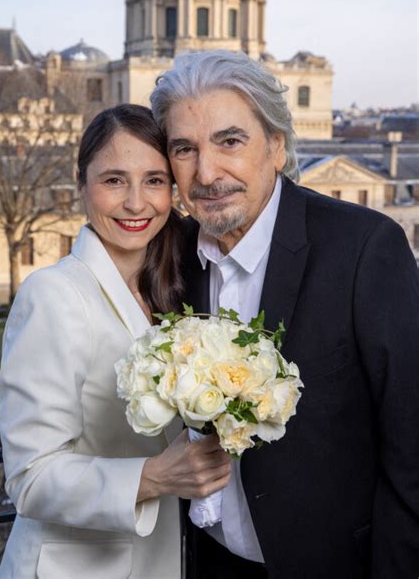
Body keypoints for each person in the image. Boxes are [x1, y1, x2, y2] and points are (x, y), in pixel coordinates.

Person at [150, 51, 419, 579]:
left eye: (230, 141)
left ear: (276, 146)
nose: (207, 172)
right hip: (208, 563)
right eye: (184, 148)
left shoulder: (364, 248)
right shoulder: (173, 256)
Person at [0, 104, 231, 578]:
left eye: (154, 180)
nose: (136, 203)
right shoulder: (52, 296)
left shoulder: (171, 292)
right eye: (113, 181)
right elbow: (30, 478)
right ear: (81, 186)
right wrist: (153, 477)